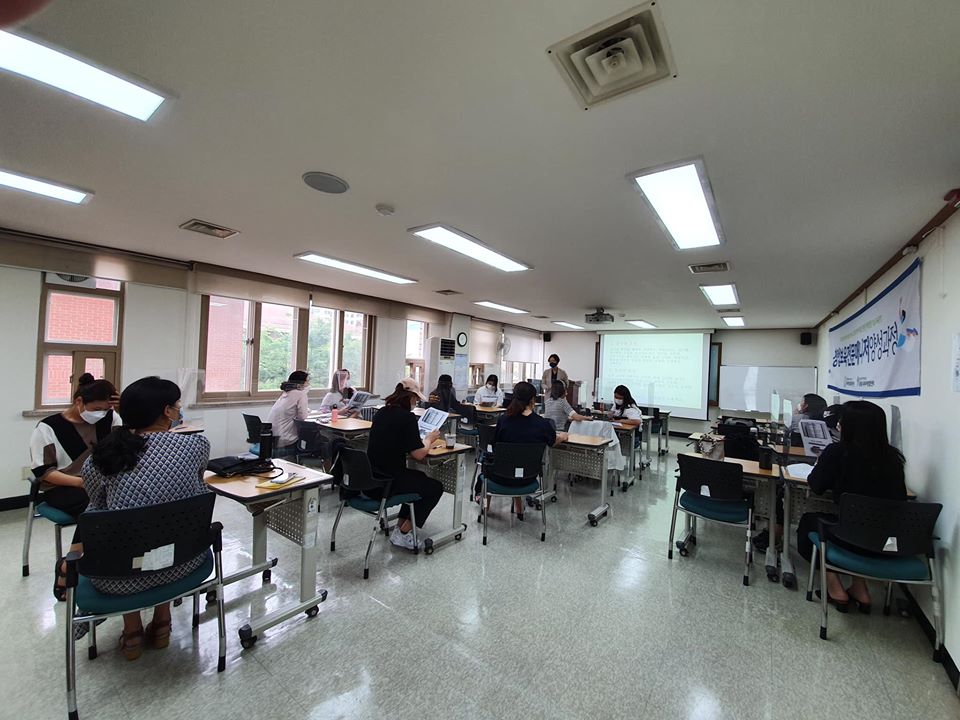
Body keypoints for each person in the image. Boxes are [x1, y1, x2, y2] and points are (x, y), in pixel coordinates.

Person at [82, 376, 211, 660]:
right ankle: (162, 622)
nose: (179, 410)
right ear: (167, 411)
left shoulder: (101, 458)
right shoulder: (197, 446)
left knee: (125, 534)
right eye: (177, 405)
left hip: (118, 576)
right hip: (185, 561)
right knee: (167, 525)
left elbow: (97, 506)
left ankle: (132, 633)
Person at [796, 400, 907, 613]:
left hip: (850, 537)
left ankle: (834, 586)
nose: (838, 424)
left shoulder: (837, 451)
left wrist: (822, 463)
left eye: (841, 421)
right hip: (889, 543)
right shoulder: (894, 458)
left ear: (849, 425)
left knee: (810, 522)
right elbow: (900, 498)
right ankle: (859, 587)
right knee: (861, 527)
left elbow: (816, 485)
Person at [30, 373, 120, 600]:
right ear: (79, 401)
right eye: (97, 408)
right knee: (97, 506)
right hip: (62, 486)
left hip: (102, 483)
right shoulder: (48, 427)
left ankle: (81, 563)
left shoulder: (110, 419)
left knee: (123, 502)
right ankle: (71, 564)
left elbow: (126, 447)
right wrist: (82, 482)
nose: (101, 414)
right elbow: (43, 472)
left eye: (106, 409)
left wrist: (124, 411)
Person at [365, 378, 444, 551]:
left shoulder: (382, 412)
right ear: (410, 397)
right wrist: (429, 439)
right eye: (415, 399)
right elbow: (419, 454)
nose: (416, 403)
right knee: (435, 487)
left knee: (420, 477)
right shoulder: (406, 417)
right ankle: (403, 532)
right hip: (388, 482)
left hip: (372, 477)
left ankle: (401, 525)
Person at [489, 381, 568, 515]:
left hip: (500, 476)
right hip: (528, 478)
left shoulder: (503, 420)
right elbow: (552, 441)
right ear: (532, 400)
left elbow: (495, 444)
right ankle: (519, 507)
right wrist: (563, 436)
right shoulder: (542, 424)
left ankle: (485, 508)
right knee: (519, 461)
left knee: (497, 464)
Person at [266, 370, 310, 453]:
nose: (308, 384)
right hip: (285, 438)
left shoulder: (286, 393)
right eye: (307, 381)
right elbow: (302, 417)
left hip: (271, 437)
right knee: (315, 438)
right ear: (301, 383)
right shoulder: (301, 394)